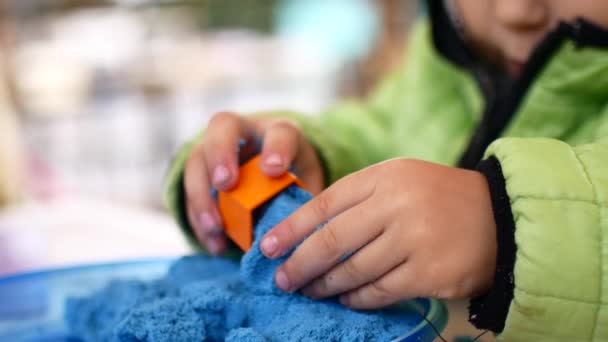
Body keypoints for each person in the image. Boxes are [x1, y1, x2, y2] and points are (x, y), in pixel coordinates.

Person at [164, 0, 608, 339]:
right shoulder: (448, 64)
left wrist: (511, 226)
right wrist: (314, 159)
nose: (514, 11)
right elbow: (375, 134)